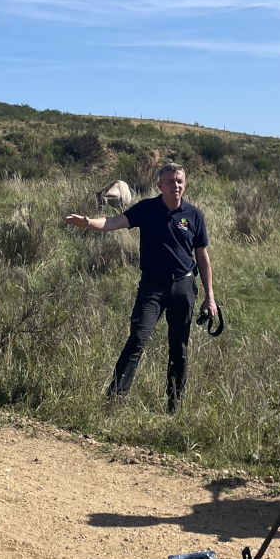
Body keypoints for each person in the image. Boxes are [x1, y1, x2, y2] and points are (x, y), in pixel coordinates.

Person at [64, 163, 218, 413]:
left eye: (179, 181)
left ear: (185, 184)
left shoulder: (194, 215)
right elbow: (115, 221)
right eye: (170, 181)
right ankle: (113, 402)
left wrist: (209, 297)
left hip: (184, 286)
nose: (175, 185)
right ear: (159, 186)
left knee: (179, 349)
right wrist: (90, 222)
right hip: (153, 286)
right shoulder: (147, 208)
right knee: (137, 339)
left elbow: (202, 256)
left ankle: (173, 408)